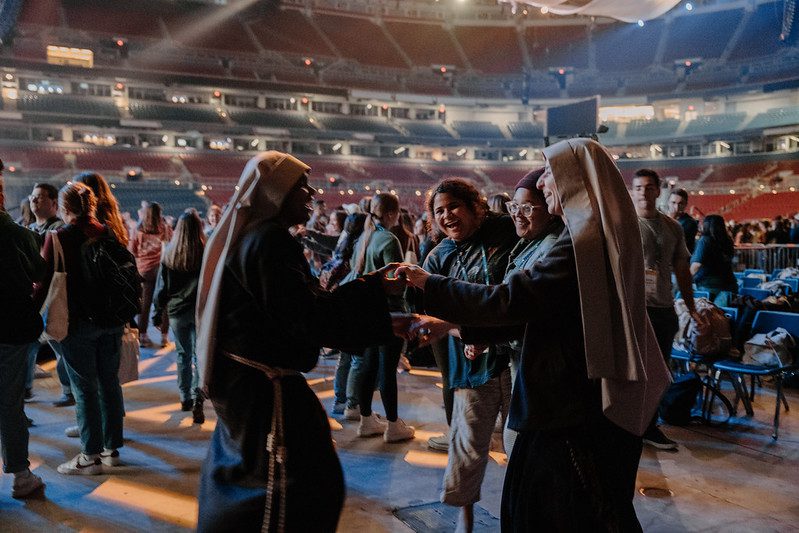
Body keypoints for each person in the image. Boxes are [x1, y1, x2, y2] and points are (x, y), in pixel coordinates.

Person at [396, 138, 671, 532]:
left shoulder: (581, 244)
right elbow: (533, 311)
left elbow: (512, 300)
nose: (541, 184)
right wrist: (457, 326)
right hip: (563, 401)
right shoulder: (580, 238)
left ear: (576, 183)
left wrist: (430, 284)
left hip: (567, 407)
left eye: (550, 176)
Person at [195, 151, 404, 532]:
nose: (311, 193)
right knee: (288, 491)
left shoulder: (254, 236)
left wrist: (373, 289)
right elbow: (306, 319)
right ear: (277, 193)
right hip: (264, 390)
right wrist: (379, 303)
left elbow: (302, 306)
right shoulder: (270, 239)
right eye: (300, 187)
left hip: (247, 384)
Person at [416, 178, 517, 531]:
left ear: (475, 206)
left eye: (454, 206)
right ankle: (465, 520)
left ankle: (520, 516)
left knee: (520, 445)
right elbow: (435, 314)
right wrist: (464, 332)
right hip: (472, 364)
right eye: (439, 211)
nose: (447, 216)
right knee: (467, 445)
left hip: (517, 359)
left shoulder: (506, 231)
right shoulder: (437, 257)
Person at [34, 182, 126, 475]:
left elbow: (43, 282)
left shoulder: (58, 237)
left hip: (77, 323)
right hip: (111, 321)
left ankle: (89, 456)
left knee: (85, 389)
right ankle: (112, 449)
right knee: (110, 384)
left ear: (64, 207)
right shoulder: (107, 232)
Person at [500, 168, 564, 456]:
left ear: (550, 208)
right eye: (514, 206)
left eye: (527, 207)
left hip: (535, 362)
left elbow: (518, 305)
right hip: (523, 358)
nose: (517, 214)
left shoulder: (550, 247)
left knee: (519, 441)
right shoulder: (532, 241)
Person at [632, 168, 696, 451]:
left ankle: (649, 426)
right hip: (634, 310)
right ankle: (627, 425)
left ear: (659, 191)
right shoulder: (623, 224)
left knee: (659, 374)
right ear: (632, 191)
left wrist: (692, 308)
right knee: (631, 372)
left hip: (663, 309)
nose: (643, 193)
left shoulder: (674, 228)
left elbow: (682, 269)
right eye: (638, 188)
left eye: (648, 187)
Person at [346, 193, 415, 442]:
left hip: (365, 311)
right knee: (387, 369)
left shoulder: (365, 237)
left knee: (369, 364)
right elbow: (395, 283)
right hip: (388, 312)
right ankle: (393, 425)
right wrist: (409, 277)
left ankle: (366, 420)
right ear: (390, 214)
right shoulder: (389, 239)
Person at [0, 170, 47, 498]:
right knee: (10, 404)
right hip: (11, 330)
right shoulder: (17, 234)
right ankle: (20, 475)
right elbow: (40, 273)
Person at [152, 211, 207, 423]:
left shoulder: (169, 254)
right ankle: (198, 397)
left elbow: (162, 289)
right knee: (198, 356)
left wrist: (158, 313)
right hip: (199, 311)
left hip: (176, 312)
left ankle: (184, 397)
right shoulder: (204, 253)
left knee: (182, 354)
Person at [25, 182, 73, 407]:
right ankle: (25, 389)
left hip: (53, 298)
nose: (35, 200)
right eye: (33, 196)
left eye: (41, 197)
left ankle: (69, 389)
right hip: (34, 299)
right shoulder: (27, 229)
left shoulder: (60, 231)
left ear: (54, 203)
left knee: (61, 346)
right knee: (30, 345)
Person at [130, 201, 172, 347]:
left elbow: (132, 250)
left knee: (145, 304)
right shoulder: (165, 229)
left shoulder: (138, 229)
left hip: (143, 271)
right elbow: (171, 246)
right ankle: (164, 337)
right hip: (160, 271)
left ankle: (142, 336)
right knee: (164, 303)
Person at [690, 214, 738, 305]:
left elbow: (696, 265)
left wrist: (685, 280)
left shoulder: (704, 240)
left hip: (710, 287)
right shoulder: (727, 240)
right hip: (729, 285)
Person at [667, 188, 698, 253]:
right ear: (668, 202)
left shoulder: (690, 223)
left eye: (680, 203)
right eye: (673, 202)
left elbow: (673, 242)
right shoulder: (662, 219)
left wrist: (671, 218)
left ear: (685, 204)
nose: (676, 207)